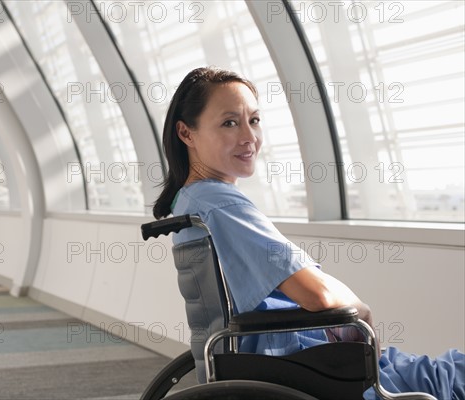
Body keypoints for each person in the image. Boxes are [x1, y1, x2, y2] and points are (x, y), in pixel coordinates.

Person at [152, 66, 464, 399]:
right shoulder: (219, 204)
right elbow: (318, 296)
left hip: (284, 365)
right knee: (453, 374)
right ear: (186, 133)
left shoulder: (190, 202)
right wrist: (358, 306)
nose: (248, 137)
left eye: (254, 120)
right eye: (230, 122)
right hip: (307, 370)